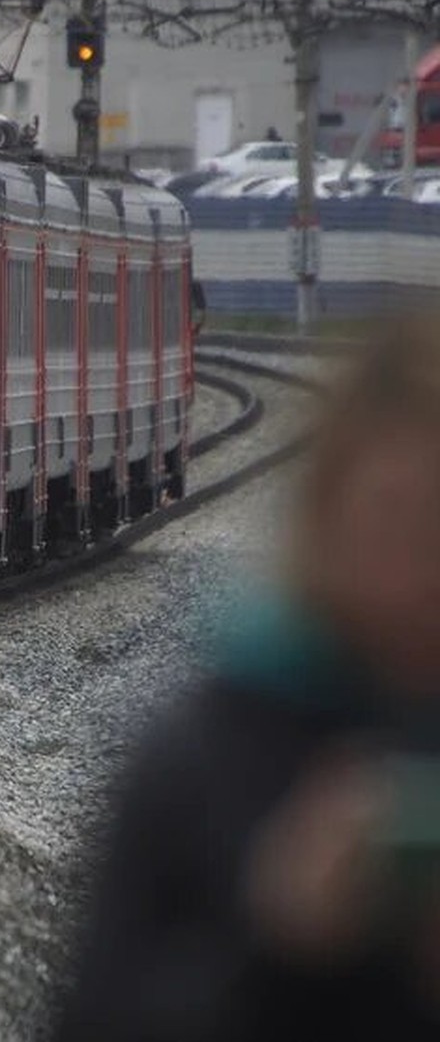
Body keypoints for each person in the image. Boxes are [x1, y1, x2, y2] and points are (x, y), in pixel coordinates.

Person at [56, 313, 440, 1042]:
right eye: (396, 521)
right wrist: (282, 947)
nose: (428, 570)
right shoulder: (203, 759)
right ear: (324, 519)